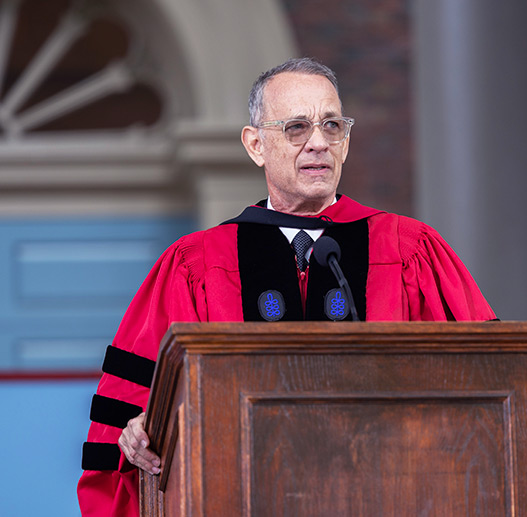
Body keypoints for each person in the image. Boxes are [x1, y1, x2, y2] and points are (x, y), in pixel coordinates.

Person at [77, 57, 495, 516]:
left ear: (347, 142)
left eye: (331, 125)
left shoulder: (411, 248)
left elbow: (487, 386)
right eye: (296, 127)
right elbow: (129, 414)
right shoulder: (194, 264)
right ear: (256, 145)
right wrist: (135, 433)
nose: (318, 143)